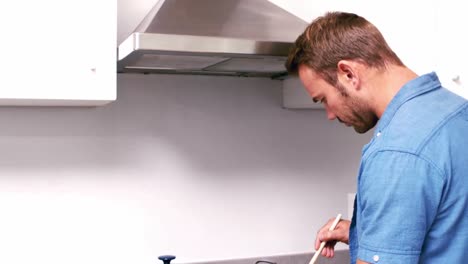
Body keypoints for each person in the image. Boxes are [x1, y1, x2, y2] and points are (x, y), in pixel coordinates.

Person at [285, 11, 468, 264]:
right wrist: (368, 235)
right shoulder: (457, 110)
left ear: (348, 73)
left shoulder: (395, 152)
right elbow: (450, 229)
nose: (328, 114)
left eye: (323, 99)